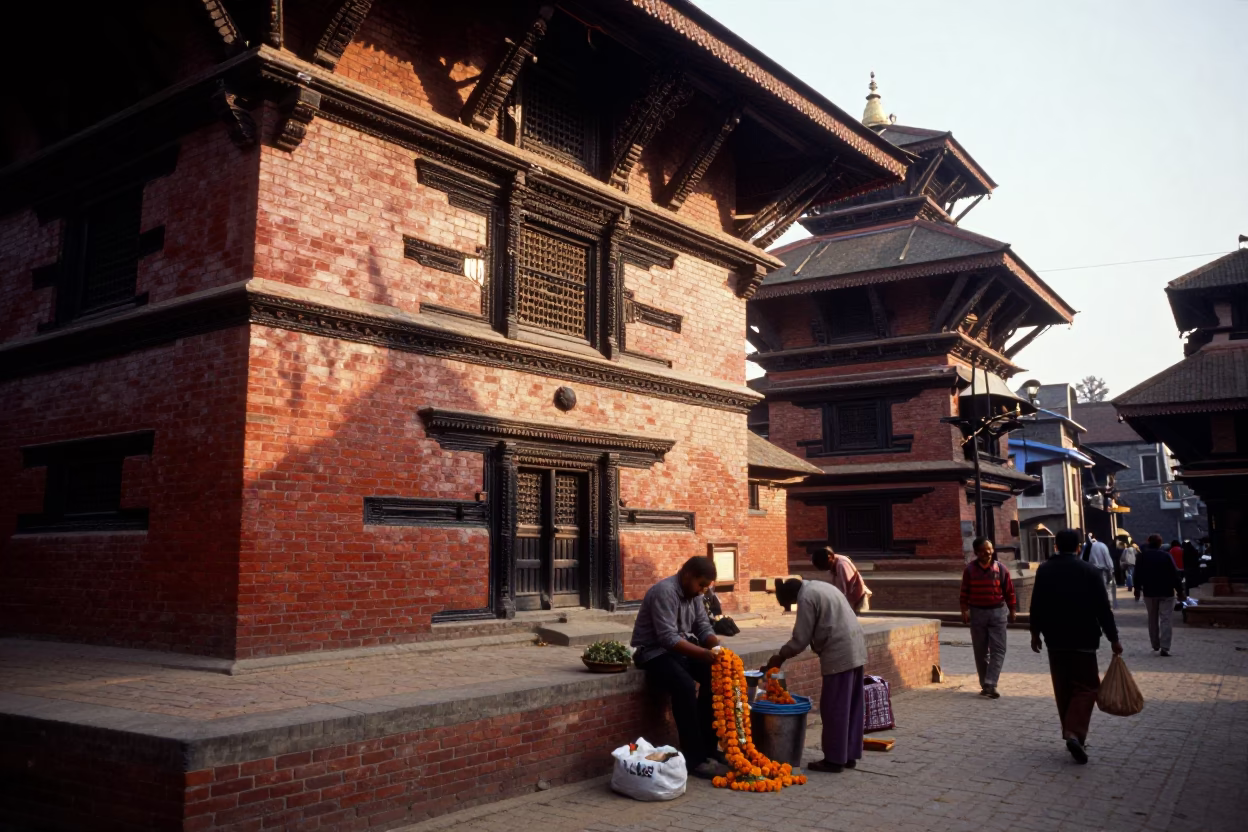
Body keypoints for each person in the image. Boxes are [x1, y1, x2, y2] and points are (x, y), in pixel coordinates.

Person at [1030, 528, 1122, 765]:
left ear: (1056, 547)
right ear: (1079, 548)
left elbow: (1036, 603)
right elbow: (1103, 608)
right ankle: (1074, 732)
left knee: (1063, 688)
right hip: (1084, 639)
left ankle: (1072, 733)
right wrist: (1113, 638)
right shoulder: (1089, 571)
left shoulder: (1045, 570)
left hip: (1055, 639)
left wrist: (1035, 633)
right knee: (1087, 687)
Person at [631, 556, 724, 778]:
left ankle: (709, 747)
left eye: (706, 587)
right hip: (652, 652)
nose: (702, 590)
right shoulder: (665, 591)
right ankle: (694, 758)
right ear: (687, 575)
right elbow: (667, 638)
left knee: (715, 676)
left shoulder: (695, 596)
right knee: (684, 686)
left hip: (679, 649)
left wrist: (717, 647)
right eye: (700, 584)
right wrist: (703, 653)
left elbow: (702, 627)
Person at [764, 578, 867, 773]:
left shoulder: (806, 597)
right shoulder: (818, 586)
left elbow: (800, 639)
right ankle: (848, 755)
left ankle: (835, 760)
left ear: (793, 596)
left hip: (840, 652)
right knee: (852, 705)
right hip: (856, 646)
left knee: (834, 707)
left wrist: (779, 657)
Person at [959, 537, 1018, 699]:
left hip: (998, 613)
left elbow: (1009, 591)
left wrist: (1012, 609)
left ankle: (991, 683)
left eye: (990, 549)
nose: (989, 552)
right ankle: (985, 683)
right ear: (977, 552)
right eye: (985, 550)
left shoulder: (1001, 569)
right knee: (980, 651)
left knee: (999, 649)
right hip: (977, 613)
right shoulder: (970, 570)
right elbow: (964, 591)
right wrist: (964, 609)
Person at [1135, 534, 1186, 657]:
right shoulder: (1166, 556)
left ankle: (1155, 644)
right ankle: (1165, 647)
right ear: (1160, 544)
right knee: (1166, 619)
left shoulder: (1142, 557)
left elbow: (1137, 574)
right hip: (1166, 592)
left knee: (1152, 619)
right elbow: (1175, 575)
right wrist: (1179, 591)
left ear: (1148, 542)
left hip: (1149, 592)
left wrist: (1137, 589)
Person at [811, 546, 872, 612]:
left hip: (858, 600)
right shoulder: (833, 562)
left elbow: (845, 590)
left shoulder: (841, 565)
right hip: (850, 600)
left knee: (857, 620)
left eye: (825, 566)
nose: (825, 568)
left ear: (830, 557)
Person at [1086, 533, 1117, 609]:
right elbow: (1107, 558)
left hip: (1091, 570)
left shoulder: (1088, 547)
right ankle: (1107, 604)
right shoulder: (1102, 546)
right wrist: (1111, 569)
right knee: (1106, 588)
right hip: (1103, 571)